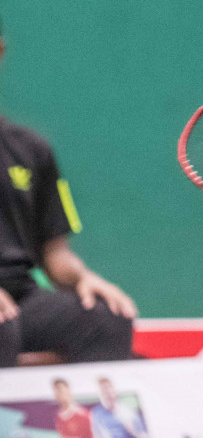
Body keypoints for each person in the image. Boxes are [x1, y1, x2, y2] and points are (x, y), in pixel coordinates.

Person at [0, 25, 137, 368]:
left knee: (106, 319)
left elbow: (55, 253)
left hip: (20, 297)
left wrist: (83, 277)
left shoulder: (31, 148)